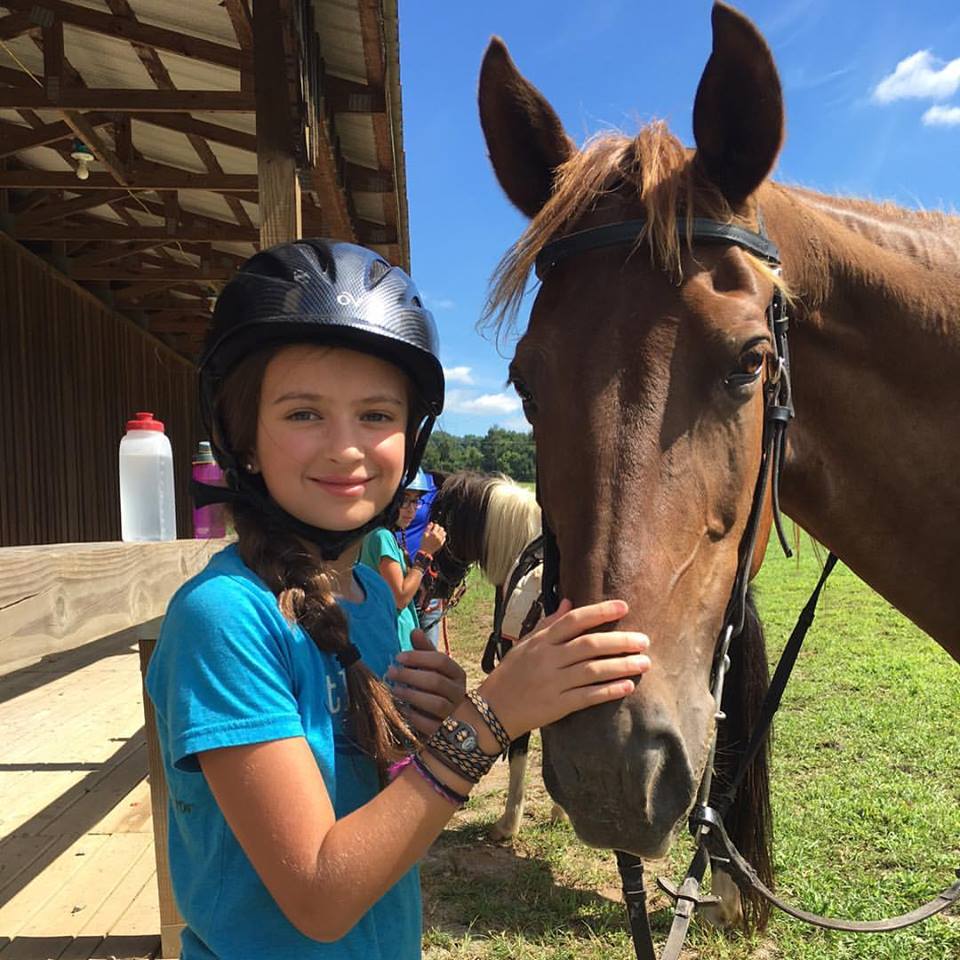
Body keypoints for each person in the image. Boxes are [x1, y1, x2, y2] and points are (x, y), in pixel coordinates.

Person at [145, 239, 652, 960]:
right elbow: (321, 896)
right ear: (243, 437)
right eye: (302, 414)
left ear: (410, 441)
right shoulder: (224, 618)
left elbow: (379, 817)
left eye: (377, 416)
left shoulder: (371, 600)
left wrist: (424, 727)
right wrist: (490, 719)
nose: (347, 448)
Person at [359, 469, 444, 650]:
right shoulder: (382, 536)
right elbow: (400, 597)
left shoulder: (379, 533)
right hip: (394, 642)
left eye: (415, 501)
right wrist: (425, 553)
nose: (411, 509)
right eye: (404, 500)